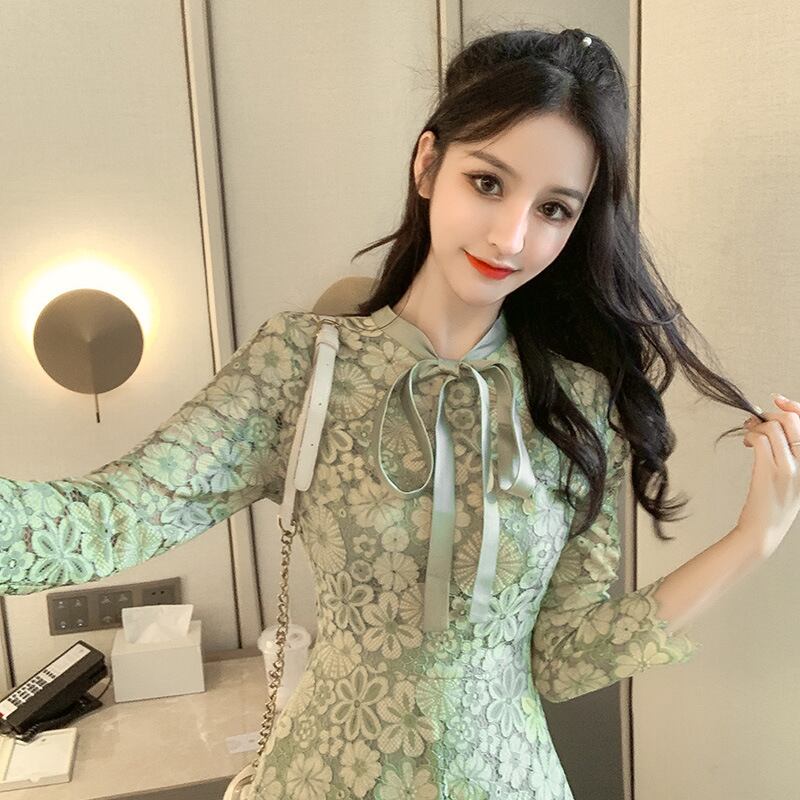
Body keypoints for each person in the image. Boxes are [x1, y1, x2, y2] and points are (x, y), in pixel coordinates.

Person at [2, 26, 799, 800]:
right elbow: (107, 520)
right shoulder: (302, 366)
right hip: (329, 777)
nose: (511, 236)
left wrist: (750, 541)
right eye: (487, 182)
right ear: (427, 164)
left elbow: (562, 658)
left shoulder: (577, 405)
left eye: (554, 209)